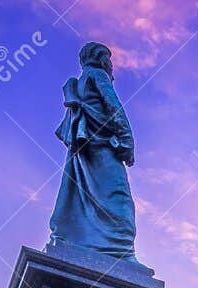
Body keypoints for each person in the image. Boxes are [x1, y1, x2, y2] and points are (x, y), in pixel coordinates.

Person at [49, 42, 138, 259]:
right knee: (120, 200)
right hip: (103, 148)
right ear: (100, 60)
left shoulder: (80, 83)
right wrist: (127, 140)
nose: (111, 66)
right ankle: (121, 252)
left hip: (87, 150)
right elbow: (113, 105)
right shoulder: (98, 75)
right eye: (109, 60)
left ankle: (89, 247)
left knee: (86, 198)